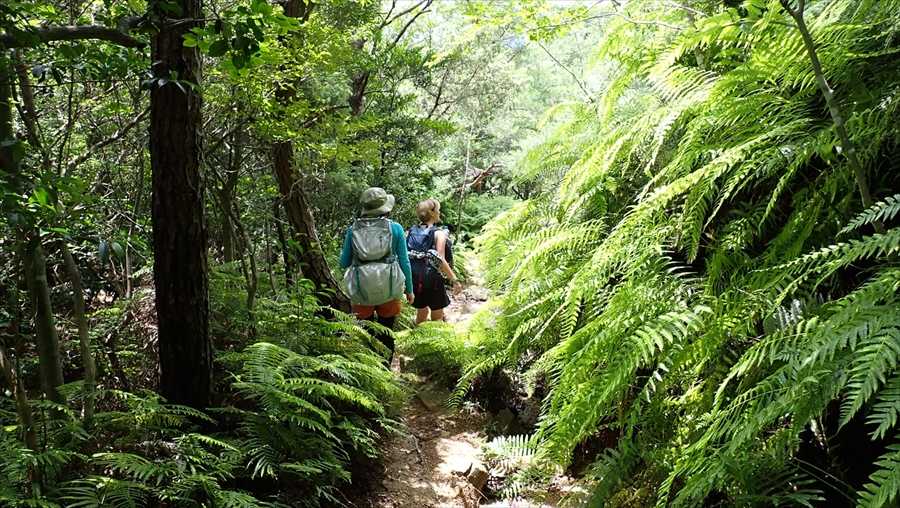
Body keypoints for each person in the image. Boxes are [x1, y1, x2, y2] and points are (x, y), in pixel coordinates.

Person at [339, 187, 414, 357]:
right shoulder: (395, 228)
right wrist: (409, 290)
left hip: (361, 290)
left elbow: (343, 263)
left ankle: (369, 364)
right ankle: (385, 367)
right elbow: (405, 261)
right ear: (385, 208)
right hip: (390, 289)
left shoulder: (353, 230)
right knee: (386, 332)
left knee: (365, 334)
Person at [407, 198, 462, 325]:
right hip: (433, 279)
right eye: (438, 210)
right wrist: (454, 280)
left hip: (415, 278)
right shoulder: (439, 234)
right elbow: (440, 259)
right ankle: (435, 335)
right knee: (437, 315)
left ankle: (419, 335)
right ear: (433, 213)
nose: (439, 212)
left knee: (421, 311)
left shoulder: (411, 231)